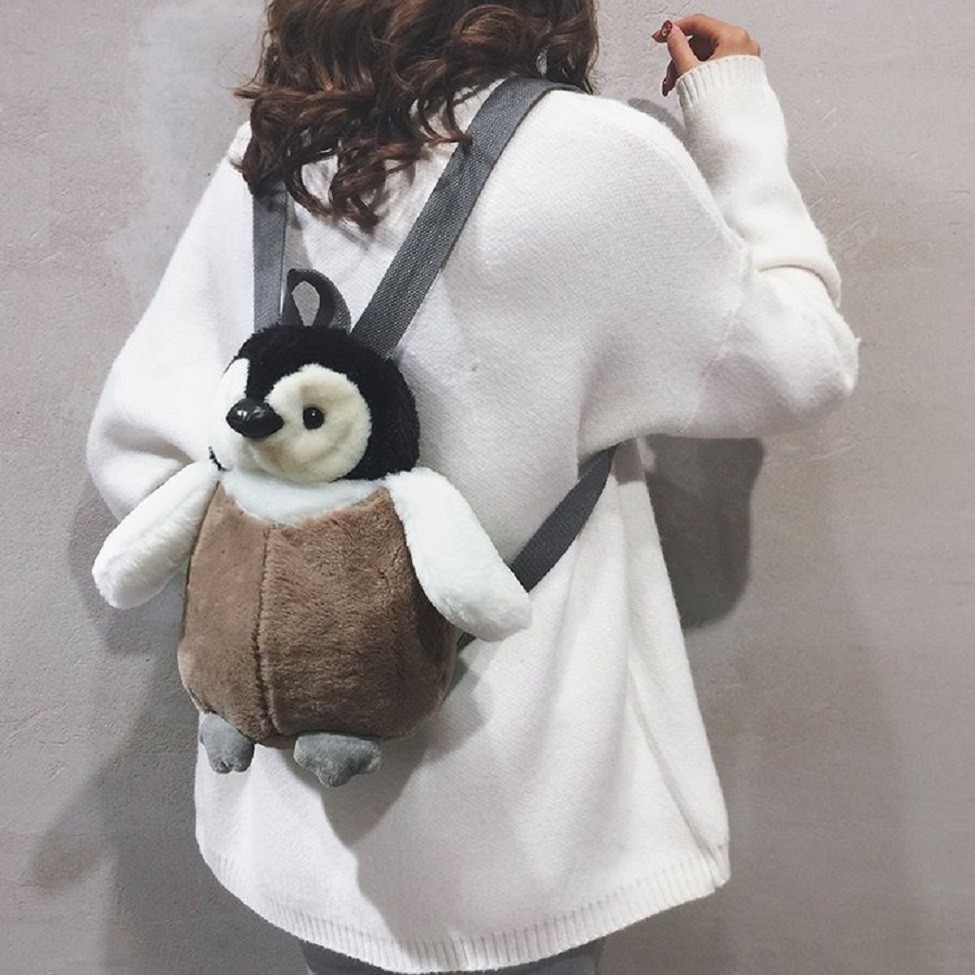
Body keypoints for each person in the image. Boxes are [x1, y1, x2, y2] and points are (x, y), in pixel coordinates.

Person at [85, 3, 860, 973]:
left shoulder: (276, 147)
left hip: (306, 806)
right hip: (518, 805)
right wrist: (734, 116)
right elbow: (802, 366)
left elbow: (137, 456)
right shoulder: (593, 155)